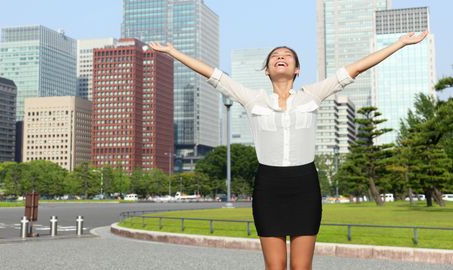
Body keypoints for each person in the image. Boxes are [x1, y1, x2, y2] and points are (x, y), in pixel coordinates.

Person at [148, 30, 428, 270]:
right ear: (267, 70)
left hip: (304, 184)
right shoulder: (252, 98)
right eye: (274, 57)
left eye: (287, 55)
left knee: (301, 267)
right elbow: (214, 75)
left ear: (296, 69)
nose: (280, 57)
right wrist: (173, 51)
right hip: (268, 185)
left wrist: (399, 43)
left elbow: (355, 68)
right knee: (275, 266)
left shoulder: (312, 94)